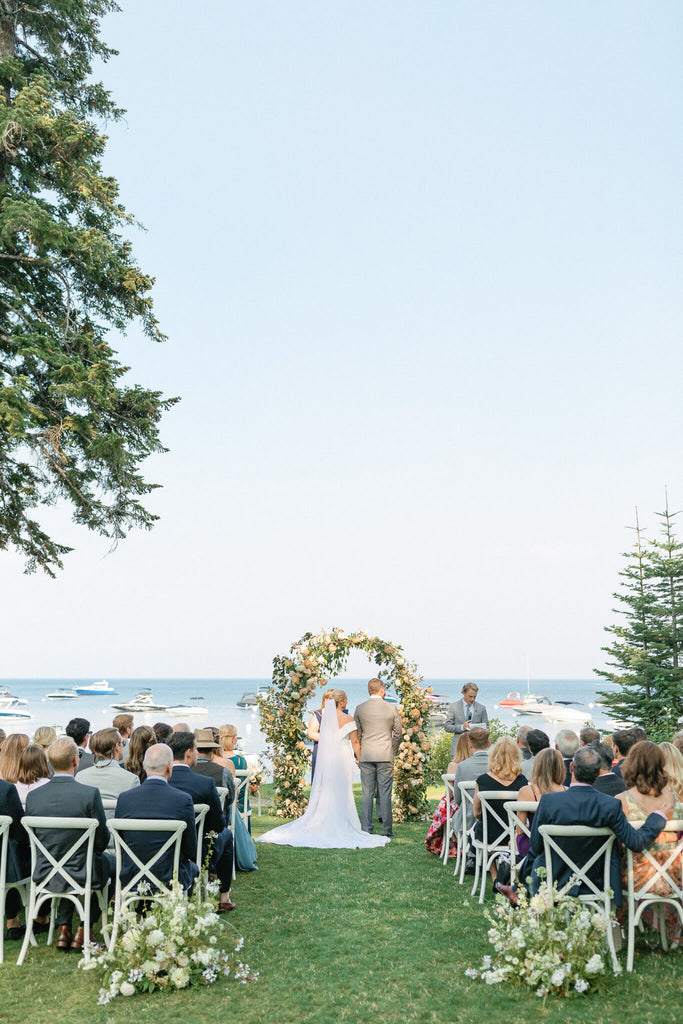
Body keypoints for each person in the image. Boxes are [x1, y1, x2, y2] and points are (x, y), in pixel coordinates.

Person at [525, 745, 669, 906]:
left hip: (553, 879)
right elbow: (636, 842)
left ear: (572, 767)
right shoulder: (610, 805)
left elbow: (536, 845)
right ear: (598, 772)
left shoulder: (549, 801)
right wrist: (657, 818)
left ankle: (520, 889)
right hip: (596, 881)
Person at [258, 693, 391, 849]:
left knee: (327, 788)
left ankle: (326, 818)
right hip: (342, 757)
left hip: (327, 757)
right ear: (341, 702)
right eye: (346, 699)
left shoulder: (326, 719)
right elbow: (354, 741)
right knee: (342, 789)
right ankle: (340, 820)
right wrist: (359, 758)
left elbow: (319, 736)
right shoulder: (348, 720)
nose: (347, 702)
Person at [26, 736, 112, 951]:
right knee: (103, 862)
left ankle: (64, 930)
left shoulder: (35, 797)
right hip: (81, 871)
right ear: (76, 761)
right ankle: (84, 929)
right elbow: (101, 840)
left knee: (67, 862)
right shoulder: (89, 794)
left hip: (44, 872)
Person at [615, 740, 683, 945]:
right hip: (674, 876)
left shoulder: (622, 801)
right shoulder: (672, 799)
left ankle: (616, 928)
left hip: (637, 878)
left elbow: (618, 843)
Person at [115, 743, 199, 895]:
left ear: (144, 766)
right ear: (169, 767)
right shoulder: (182, 800)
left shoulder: (125, 799)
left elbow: (119, 844)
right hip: (169, 877)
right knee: (193, 869)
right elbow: (190, 849)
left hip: (132, 876)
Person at [168, 732, 239, 908]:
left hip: (166, 848)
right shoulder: (205, 783)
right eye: (195, 749)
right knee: (227, 835)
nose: (197, 753)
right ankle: (224, 897)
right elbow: (218, 824)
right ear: (188, 752)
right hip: (202, 848)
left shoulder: (163, 781)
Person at [472, 736, 528, 885]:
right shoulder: (522, 782)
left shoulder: (482, 781)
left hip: (488, 836)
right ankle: (506, 877)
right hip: (514, 837)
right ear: (516, 756)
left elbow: (476, 813)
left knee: (479, 827)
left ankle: (495, 875)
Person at [355, 678, 402, 837]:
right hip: (385, 754)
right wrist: (393, 751)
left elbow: (358, 734)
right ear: (381, 689)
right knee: (385, 793)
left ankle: (366, 829)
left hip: (366, 754)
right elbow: (398, 733)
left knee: (367, 793)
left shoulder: (360, 708)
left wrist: (359, 753)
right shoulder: (391, 708)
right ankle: (387, 830)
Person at [425, 732, 472, 858]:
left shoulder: (453, 766)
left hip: (458, 805)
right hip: (475, 805)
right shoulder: (475, 766)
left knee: (444, 805)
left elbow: (449, 793)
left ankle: (445, 842)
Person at [515, 748, 566, 861]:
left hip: (533, 845)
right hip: (560, 847)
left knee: (514, 838)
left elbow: (520, 829)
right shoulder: (567, 791)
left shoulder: (527, 791)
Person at [76, 727, 140, 817]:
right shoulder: (131, 779)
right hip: (117, 829)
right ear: (117, 747)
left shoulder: (80, 776)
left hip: (89, 829)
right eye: (122, 743)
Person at [0, 775, 30, 940]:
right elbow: (20, 832)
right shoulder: (6, 790)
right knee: (9, 853)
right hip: (5, 867)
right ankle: (12, 921)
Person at [451, 726, 491, 837]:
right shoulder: (497, 765)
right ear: (489, 743)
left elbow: (458, 799)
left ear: (470, 744)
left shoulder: (462, 767)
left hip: (468, 818)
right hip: (494, 818)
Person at [444, 683, 488, 754]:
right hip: (458, 748)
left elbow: (487, 728)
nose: (472, 699)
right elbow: (447, 727)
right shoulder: (454, 707)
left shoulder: (481, 708)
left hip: (476, 749)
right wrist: (462, 727)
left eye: (474, 696)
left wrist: (479, 732)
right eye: (470, 696)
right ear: (463, 693)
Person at [306, 689, 336, 781]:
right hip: (321, 751)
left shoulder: (341, 715)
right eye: (328, 699)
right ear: (325, 700)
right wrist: (327, 738)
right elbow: (311, 733)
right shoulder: (318, 714)